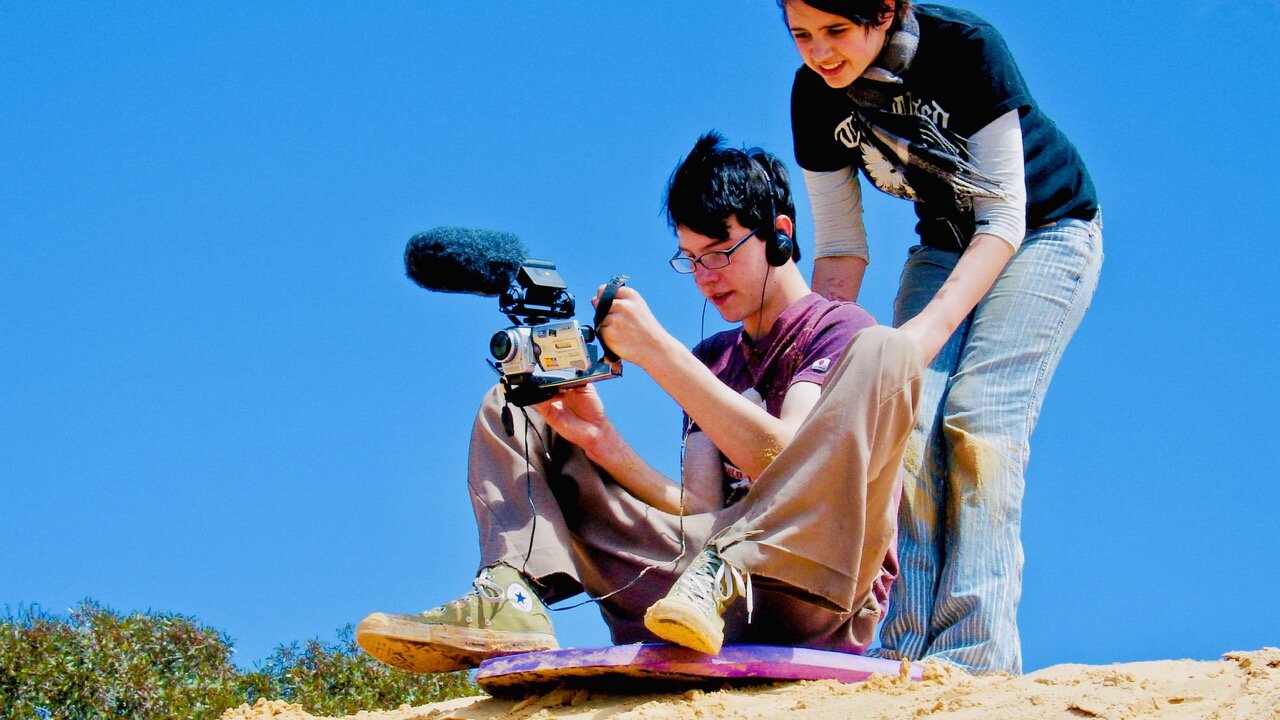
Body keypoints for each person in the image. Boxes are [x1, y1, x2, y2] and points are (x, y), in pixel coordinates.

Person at [355, 131, 922, 673]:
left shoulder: (837, 330)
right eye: (690, 258)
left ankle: (724, 573)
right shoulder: (713, 357)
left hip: (815, 591)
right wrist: (603, 443)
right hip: (705, 593)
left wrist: (658, 353)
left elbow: (789, 465)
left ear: (778, 233)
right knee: (515, 402)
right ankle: (514, 594)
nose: (704, 277)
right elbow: (698, 511)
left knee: (886, 348)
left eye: (719, 251)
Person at [776, 0, 1104, 674]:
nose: (821, 53)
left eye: (837, 32)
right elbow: (839, 249)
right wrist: (811, 362)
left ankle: (975, 659)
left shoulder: (965, 47)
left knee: (978, 421)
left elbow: (1005, 217)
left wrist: (921, 336)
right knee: (909, 424)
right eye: (802, 35)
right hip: (947, 242)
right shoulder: (814, 97)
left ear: (886, 11)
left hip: (1045, 229)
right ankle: (903, 649)